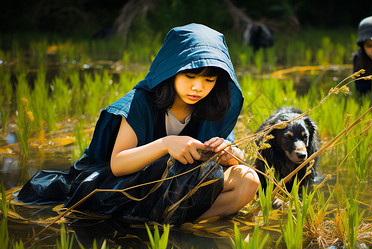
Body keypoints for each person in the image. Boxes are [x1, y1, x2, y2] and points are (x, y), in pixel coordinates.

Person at [16, 24, 259, 225]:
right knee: (180, 173)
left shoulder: (208, 107)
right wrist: (166, 144)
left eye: (209, 79)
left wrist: (231, 154)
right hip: (128, 188)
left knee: (248, 179)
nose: (198, 87)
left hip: (174, 191)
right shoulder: (140, 103)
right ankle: (159, 221)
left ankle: (177, 222)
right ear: (172, 71)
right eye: (190, 76)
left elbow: (228, 158)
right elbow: (118, 164)